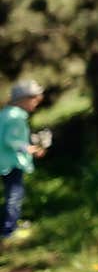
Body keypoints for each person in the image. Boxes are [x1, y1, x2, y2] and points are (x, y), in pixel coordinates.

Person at [0, 80, 46, 243]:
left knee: (11, 194)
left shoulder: (6, 113)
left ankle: (9, 225)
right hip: (10, 162)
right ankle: (8, 230)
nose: (36, 104)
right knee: (14, 195)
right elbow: (10, 140)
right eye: (34, 100)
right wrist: (29, 149)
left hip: (4, 161)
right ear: (24, 99)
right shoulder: (16, 116)